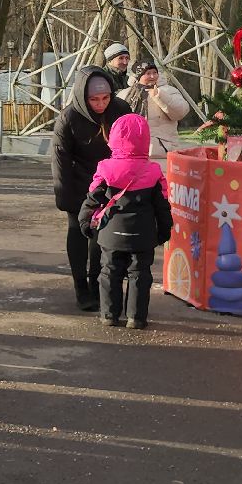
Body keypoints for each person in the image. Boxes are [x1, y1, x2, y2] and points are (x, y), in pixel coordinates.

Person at [80, 114, 174, 330]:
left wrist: (84, 221)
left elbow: (92, 198)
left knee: (109, 272)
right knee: (140, 274)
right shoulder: (153, 171)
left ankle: (109, 315)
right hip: (143, 234)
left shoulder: (105, 168)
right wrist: (164, 230)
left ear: (113, 137)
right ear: (145, 140)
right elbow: (162, 205)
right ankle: (136, 318)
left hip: (111, 233)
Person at [52, 66, 132, 312]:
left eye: (105, 98)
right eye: (94, 99)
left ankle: (97, 284)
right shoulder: (69, 118)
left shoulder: (120, 109)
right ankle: (81, 287)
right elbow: (60, 159)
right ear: (83, 97)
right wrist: (65, 196)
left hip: (111, 182)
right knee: (77, 231)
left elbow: (132, 145)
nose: (100, 104)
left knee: (101, 236)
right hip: (80, 182)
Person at [120, 59, 192, 163]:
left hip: (161, 153)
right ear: (138, 76)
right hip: (130, 153)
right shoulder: (125, 94)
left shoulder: (168, 90)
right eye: (148, 73)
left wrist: (159, 95)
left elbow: (181, 112)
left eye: (155, 72)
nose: (152, 76)